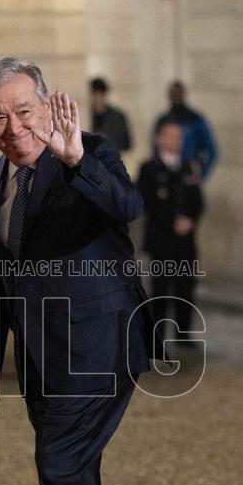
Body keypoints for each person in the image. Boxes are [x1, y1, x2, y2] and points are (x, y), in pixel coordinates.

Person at [0, 56, 157, 485]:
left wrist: (76, 158)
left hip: (100, 345)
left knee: (59, 465)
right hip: (41, 358)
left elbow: (128, 206)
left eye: (24, 111)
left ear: (49, 107)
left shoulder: (91, 153)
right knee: (73, 472)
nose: (13, 128)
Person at [138, 120, 204, 337]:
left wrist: (190, 221)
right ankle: (158, 336)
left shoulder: (188, 167)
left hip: (185, 239)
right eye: (170, 136)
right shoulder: (149, 168)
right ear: (159, 138)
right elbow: (147, 201)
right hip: (161, 239)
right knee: (161, 288)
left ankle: (184, 334)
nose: (175, 141)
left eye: (178, 137)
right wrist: (171, 222)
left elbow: (197, 201)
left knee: (186, 286)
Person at [153, 80, 217, 181]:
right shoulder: (162, 120)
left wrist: (201, 173)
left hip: (188, 172)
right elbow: (155, 149)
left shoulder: (196, 120)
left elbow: (211, 150)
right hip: (165, 174)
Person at [89, 77, 132, 152]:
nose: (97, 99)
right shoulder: (85, 117)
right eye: (94, 95)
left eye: (100, 95)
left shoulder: (118, 117)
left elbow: (127, 144)